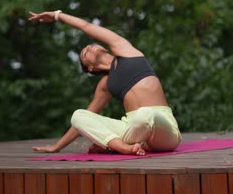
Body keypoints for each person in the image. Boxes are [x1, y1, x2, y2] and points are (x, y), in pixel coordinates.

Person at [28, 10, 182, 156]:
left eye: (89, 46)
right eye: (84, 53)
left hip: (162, 128)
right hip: (134, 131)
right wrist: (57, 147)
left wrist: (57, 15)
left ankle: (113, 146)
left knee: (144, 114)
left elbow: (85, 26)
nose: (88, 47)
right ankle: (123, 147)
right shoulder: (105, 84)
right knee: (78, 115)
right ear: (90, 67)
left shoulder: (125, 50)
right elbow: (83, 121)